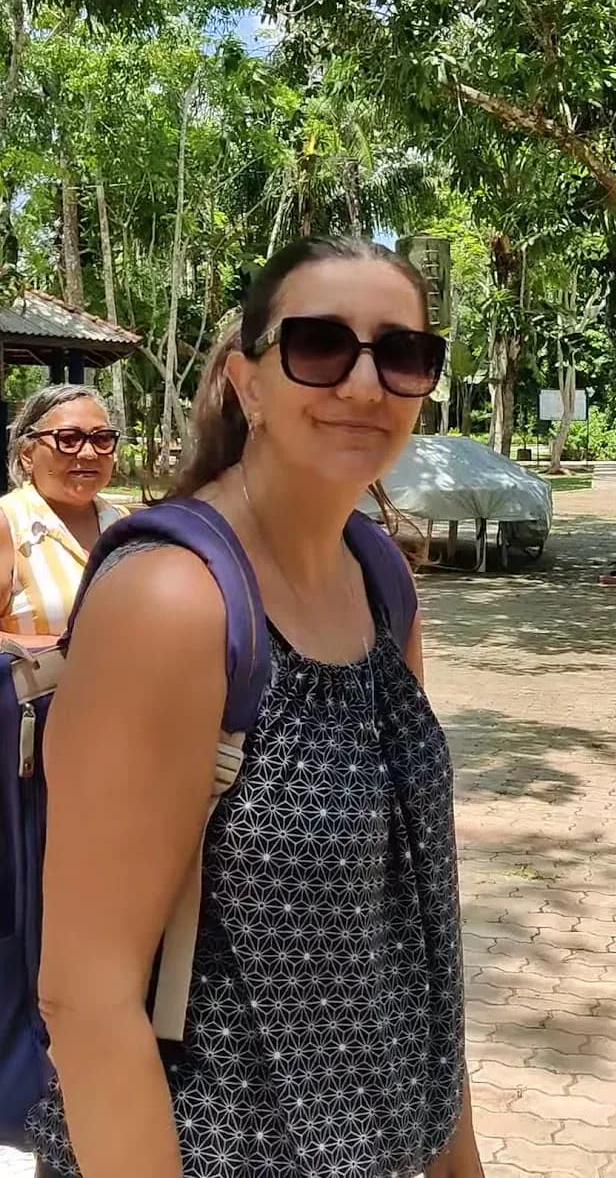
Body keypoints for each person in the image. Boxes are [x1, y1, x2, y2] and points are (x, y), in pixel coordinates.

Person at [30, 237, 482, 1178]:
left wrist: (457, 1156)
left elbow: (414, 929)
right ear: (248, 383)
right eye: (319, 345)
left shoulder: (381, 577)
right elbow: (85, 995)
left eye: (402, 354)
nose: (364, 384)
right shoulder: (173, 600)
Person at [0, 385, 126, 645]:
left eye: (102, 439)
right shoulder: (8, 525)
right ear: (27, 455)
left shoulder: (124, 524)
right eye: (68, 439)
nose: (89, 453)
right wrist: (72, 650)